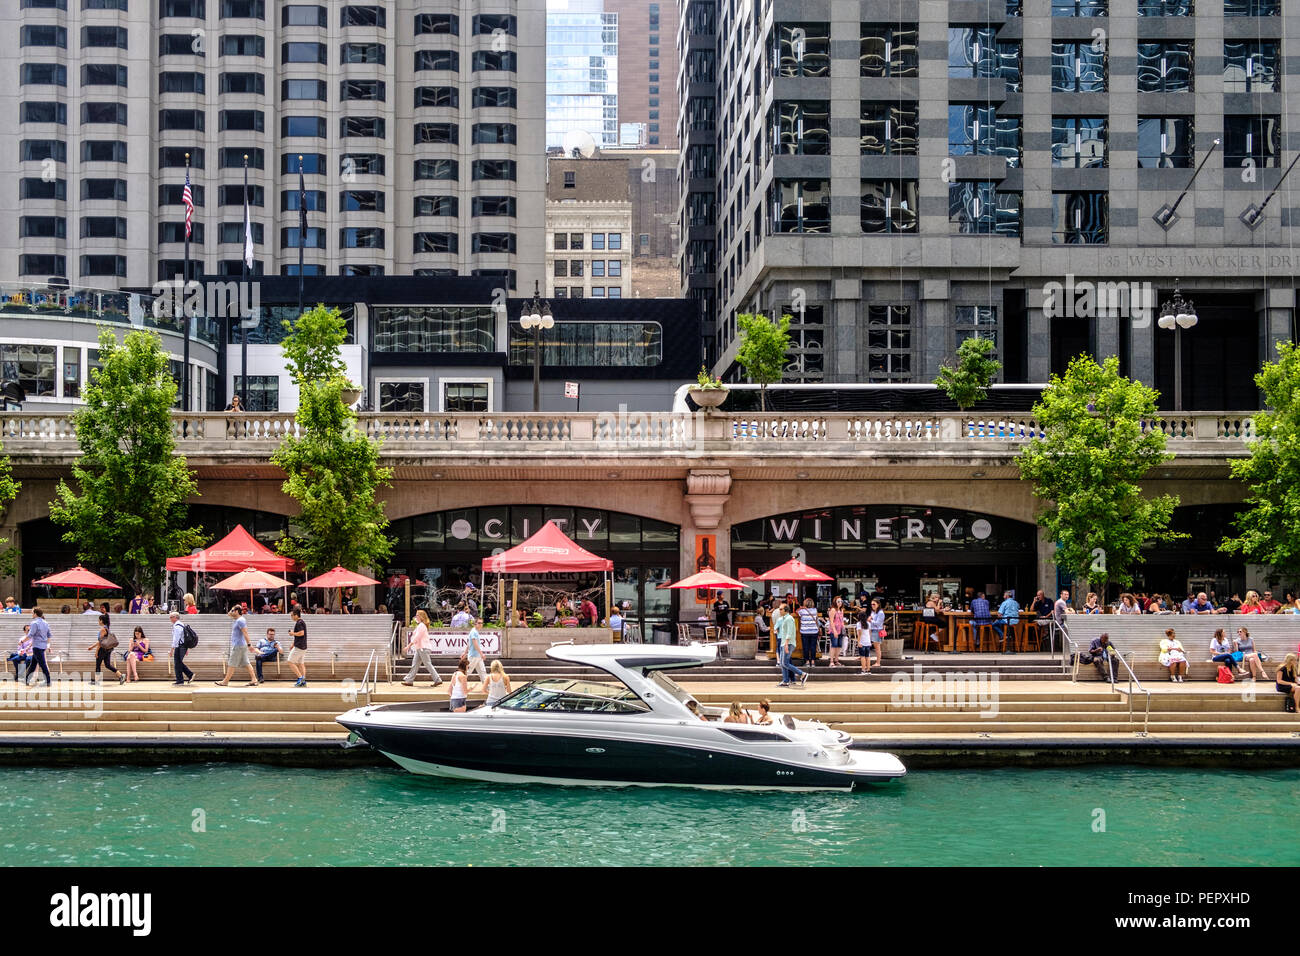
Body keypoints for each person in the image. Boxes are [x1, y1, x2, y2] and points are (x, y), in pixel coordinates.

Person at [216, 606, 258, 686]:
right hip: (240, 645)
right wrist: (232, 610)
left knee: (231, 663)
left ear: (236, 611)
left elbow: (245, 633)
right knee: (246, 663)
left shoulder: (240, 621)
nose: (231, 612)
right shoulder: (237, 619)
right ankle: (254, 679)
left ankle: (225, 681)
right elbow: (228, 614)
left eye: (233, 610)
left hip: (238, 646)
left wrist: (249, 644)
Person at [402, 608, 442, 687]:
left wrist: (409, 646)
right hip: (420, 648)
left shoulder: (421, 626)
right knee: (415, 664)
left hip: (423, 648)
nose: (415, 617)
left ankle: (437, 679)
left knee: (427, 664)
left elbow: (417, 637)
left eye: (417, 615)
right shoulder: (421, 625)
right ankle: (409, 680)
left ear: (421, 616)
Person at [776, 602, 807, 688]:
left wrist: (786, 644)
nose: (779, 611)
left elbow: (789, 632)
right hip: (785, 643)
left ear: (786, 610)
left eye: (781, 609)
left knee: (785, 663)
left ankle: (802, 674)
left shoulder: (789, 618)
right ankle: (785, 680)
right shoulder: (784, 618)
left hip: (788, 643)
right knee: (783, 663)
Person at [88, 613, 124, 684]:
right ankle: (120, 675)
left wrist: (96, 651)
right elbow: (101, 641)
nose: (98, 621)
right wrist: (92, 647)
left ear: (101, 621)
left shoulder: (103, 629)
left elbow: (100, 642)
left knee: (98, 665)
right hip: (108, 650)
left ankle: (97, 681)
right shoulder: (107, 628)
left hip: (102, 649)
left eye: (99, 620)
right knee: (107, 665)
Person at [25, 608, 52, 687]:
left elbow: (30, 635)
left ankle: (48, 681)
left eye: (32, 613)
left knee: (43, 664)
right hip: (42, 646)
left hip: (37, 647)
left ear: (36, 613)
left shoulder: (34, 623)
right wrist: (48, 644)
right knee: (33, 664)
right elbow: (49, 635)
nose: (32, 614)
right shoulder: (45, 623)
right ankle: (27, 679)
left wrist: (22, 641)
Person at [169, 611, 194, 685]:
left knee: (177, 663)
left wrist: (172, 649)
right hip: (182, 646)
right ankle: (187, 676)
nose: (170, 619)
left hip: (180, 646)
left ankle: (181, 679)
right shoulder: (181, 625)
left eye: (171, 617)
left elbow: (176, 638)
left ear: (175, 618)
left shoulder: (177, 626)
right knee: (178, 663)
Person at [287, 607, 309, 687]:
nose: (291, 617)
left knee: (290, 661)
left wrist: (293, 633)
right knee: (301, 663)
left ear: (296, 615)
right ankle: (303, 681)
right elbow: (300, 635)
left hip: (299, 646)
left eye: (292, 615)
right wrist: (293, 643)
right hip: (303, 646)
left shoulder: (299, 623)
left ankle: (300, 678)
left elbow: (301, 633)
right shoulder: (301, 622)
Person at [796, 597, 820, 668]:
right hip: (814, 631)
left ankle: (806, 661)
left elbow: (796, 611)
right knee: (813, 647)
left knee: (805, 647)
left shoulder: (802, 611)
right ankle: (812, 661)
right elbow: (816, 619)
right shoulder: (815, 610)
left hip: (805, 631)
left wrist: (802, 607)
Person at [826, 596, 846, 667]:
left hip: (840, 630)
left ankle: (836, 660)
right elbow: (831, 621)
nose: (840, 603)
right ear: (835, 602)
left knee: (839, 645)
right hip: (834, 630)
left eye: (841, 601)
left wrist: (843, 627)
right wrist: (834, 631)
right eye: (838, 601)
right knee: (834, 645)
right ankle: (831, 661)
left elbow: (842, 620)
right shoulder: (833, 610)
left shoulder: (841, 610)